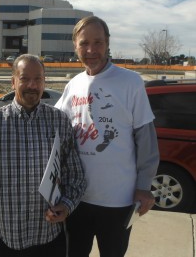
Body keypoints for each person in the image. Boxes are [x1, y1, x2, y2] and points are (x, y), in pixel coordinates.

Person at [0, 54, 86, 257]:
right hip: (6, 239)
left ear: (44, 81)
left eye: (38, 79)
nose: (32, 85)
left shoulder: (59, 122)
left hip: (49, 238)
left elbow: (75, 176)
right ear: (13, 82)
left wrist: (66, 205)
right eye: (24, 78)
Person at [55, 16, 160, 257]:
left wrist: (143, 187)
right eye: (84, 43)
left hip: (118, 201)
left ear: (108, 43)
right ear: (75, 46)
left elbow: (146, 141)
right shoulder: (73, 85)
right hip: (76, 199)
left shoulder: (131, 82)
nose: (91, 50)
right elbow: (57, 133)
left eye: (98, 42)